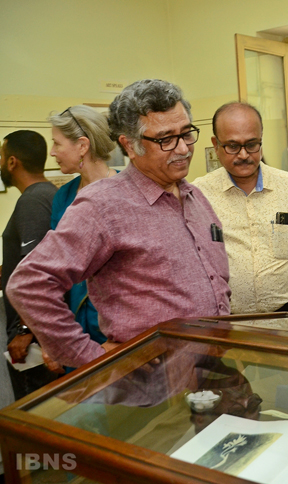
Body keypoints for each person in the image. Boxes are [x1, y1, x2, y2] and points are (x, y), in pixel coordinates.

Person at [7, 79, 231, 369]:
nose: (183, 148)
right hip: (152, 390)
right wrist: (95, 359)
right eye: (165, 139)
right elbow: (29, 284)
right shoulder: (103, 205)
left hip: (215, 372)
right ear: (129, 145)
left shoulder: (195, 195)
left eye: (186, 133)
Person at [192, 102, 288, 323]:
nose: (244, 154)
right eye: (232, 146)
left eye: (252, 144)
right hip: (227, 324)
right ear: (215, 145)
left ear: (261, 140)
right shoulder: (198, 194)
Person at [48, 106, 118, 359]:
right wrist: (54, 337)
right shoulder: (63, 197)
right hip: (75, 332)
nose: (52, 152)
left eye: (57, 143)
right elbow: (56, 269)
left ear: (82, 146)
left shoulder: (127, 192)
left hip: (119, 334)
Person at [1, 130, 60, 399]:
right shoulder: (49, 193)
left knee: (35, 411)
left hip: (32, 337)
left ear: (13, 162)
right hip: (42, 328)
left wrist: (25, 330)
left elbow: (39, 271)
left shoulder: (33, 200)